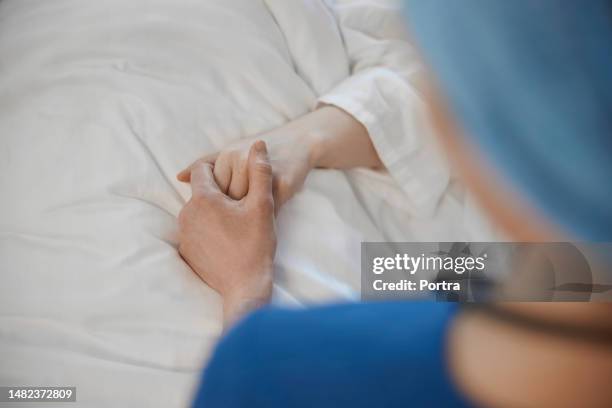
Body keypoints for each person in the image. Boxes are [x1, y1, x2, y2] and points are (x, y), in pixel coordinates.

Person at [179, 1, 612, 407]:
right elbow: (522, 274)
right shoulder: (571, 273)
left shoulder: (272, 370)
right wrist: (309, 140)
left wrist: (244, 288)